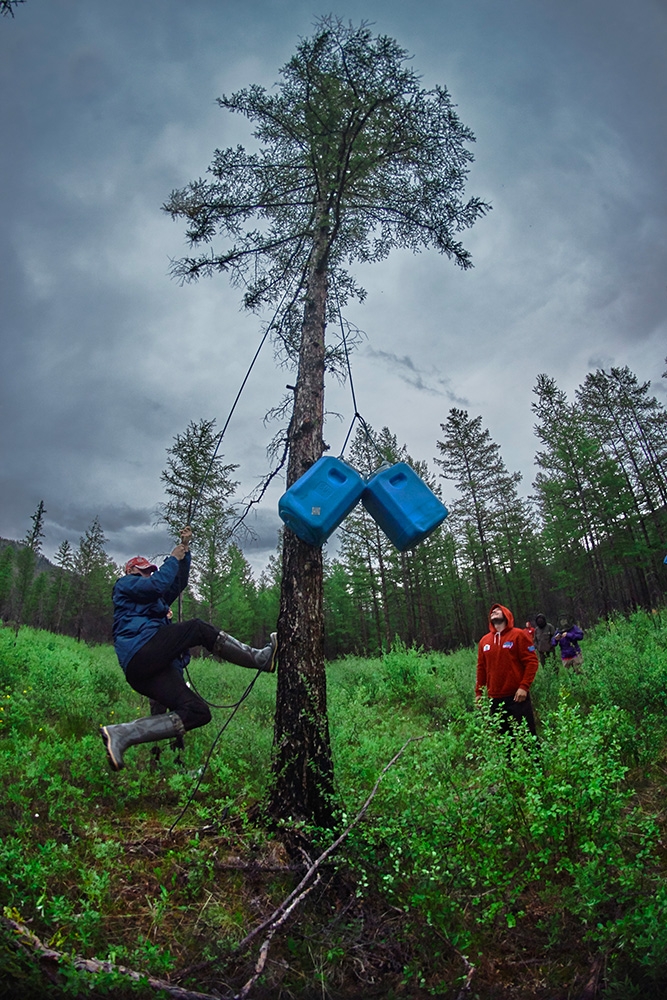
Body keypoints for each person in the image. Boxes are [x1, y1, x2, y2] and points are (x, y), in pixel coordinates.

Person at [100, 527, 277, 771]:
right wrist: (172, 558)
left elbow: (177, 583)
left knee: (197, 712)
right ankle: (260, 658)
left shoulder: (153, 599)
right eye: (144, 571)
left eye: (150, 571)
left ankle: (123, 734)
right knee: (197, 629)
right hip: (141, 652)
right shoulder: (125, 585)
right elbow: (158, 586)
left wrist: (185, 550)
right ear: (130, 570)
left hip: (147, 670)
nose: (148, 575)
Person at [476, 603, 539, 736]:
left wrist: (524, 686)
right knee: (505, 740)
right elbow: (481, 668)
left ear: (506, 615)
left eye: (498, 610)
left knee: (528, 737)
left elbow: (532, 662)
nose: (494, 612)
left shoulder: (519, 635)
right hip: (495, 698)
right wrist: (479, 693)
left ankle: (535, 757)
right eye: (492, 612)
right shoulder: (484, 641)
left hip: (517, 696)